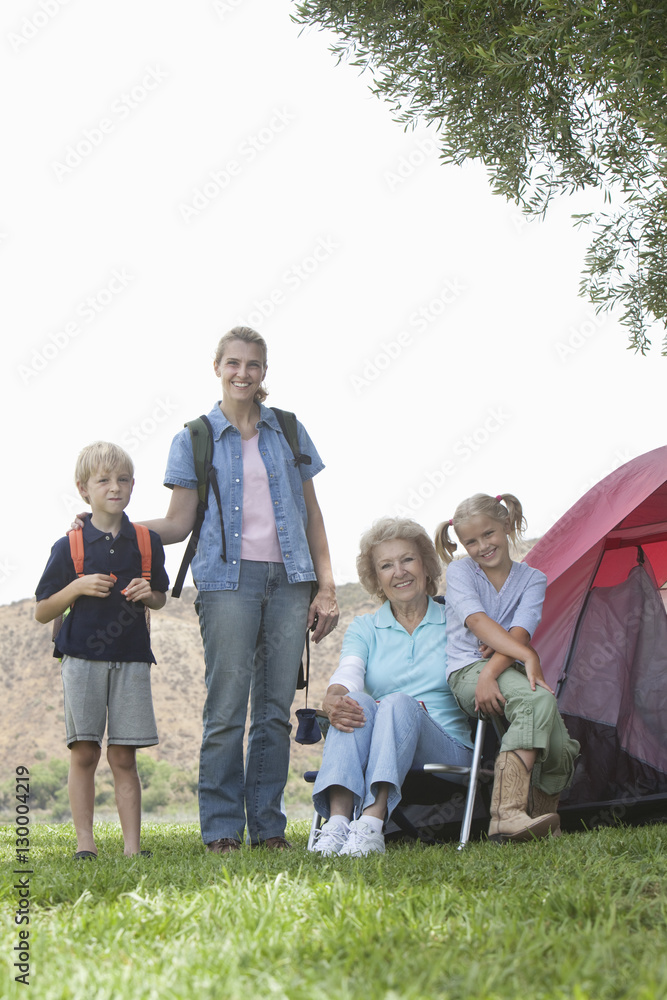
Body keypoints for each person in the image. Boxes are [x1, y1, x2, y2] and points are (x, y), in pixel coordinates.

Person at [142, 326, 339, 853]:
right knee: (226, 710)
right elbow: (178, 524)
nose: (242, 373)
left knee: (274, 711)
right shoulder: (194, 437)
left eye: (253, 365)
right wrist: (114, 528)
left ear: (264, 373)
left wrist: (326, 586)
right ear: (217, 367)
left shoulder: (289, 432)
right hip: (228, 584)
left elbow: (312, 514)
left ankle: (269, 828)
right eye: (233, 363)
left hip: (290, 583)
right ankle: (223, 829)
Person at [35, 442, 169, 859]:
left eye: (123, 479)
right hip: (80, 660)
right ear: (83, 489)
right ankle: (85, 845)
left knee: (124, 756)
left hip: (132, 661)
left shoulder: (146, 542)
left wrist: (150, 594)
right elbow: (42, 611)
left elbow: (161, 597)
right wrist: (75, 587)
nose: (115, 487)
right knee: (85, 752)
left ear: (133, 485)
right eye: (104, 480)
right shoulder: (69, 545)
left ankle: (133, 848)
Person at [311, 517, 474, 857]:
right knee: (353, 700)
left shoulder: (458, 620)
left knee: (398, 702)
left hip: (447, 746)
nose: (399, 572)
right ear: (377, 579)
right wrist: (335, 696)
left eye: (407, 560)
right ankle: (338, 825)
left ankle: (371, 823)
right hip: (383, 743)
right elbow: (350, 671)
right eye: (386, 565)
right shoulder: (365, 628)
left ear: (426, 566)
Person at [435, 492, 580, 842]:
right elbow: (478, 623)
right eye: (471, 541)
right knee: (538, 701)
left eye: (489, 534)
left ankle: (541, 819)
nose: (483, 546)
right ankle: (505, 815)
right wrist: (523, 655)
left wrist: (500, 664)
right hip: (466, 672)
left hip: (498, 672)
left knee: (559, 740)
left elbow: (519, 633)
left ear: (507, 525)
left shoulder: (533, 579)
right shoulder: (460, 571)